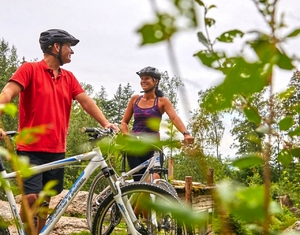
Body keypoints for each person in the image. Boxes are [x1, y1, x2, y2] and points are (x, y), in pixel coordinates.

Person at [0, 29, 119, 235]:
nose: (71, 51)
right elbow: (7, 93)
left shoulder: (68, 77)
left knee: (45, 200)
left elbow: (85, 101)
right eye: (69, 46)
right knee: (31, 198)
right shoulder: (30, 69)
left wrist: (106, 123)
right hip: (30, 149)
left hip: (56, 149)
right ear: (56, 47)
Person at [121, 66, 194, 182]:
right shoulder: (135, 99)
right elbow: (124, 122)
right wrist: (126, 135)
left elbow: (174, 118)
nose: (143, 81)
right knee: (139, 183)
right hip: (134, 147)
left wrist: (186, 133)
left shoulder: (161, 101)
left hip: (153, 147)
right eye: (142, 78)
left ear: (156, 81)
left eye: (147, 78)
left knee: (154, 179)